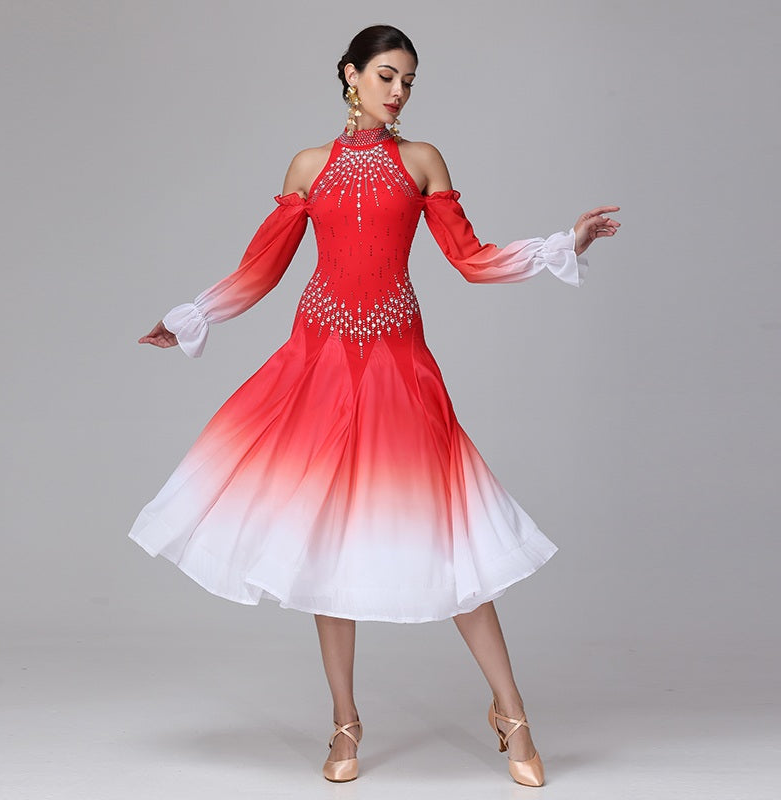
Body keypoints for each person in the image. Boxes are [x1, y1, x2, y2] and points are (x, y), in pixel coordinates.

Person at [130, 24, 619, 786]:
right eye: (387, 76)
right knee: (326, 543)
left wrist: (565, 245)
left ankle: (512, 712)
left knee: (451, 535)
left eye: (409, 81)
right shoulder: (309, 165)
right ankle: (345, 723)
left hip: (398, 364)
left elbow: (470, 259)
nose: (399, 92)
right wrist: (192, 316)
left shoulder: (422, 161)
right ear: (350, 75)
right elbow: (261, 268)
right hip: (319, 363)